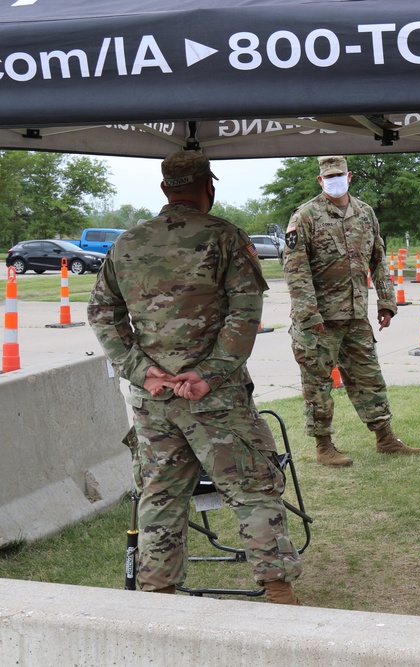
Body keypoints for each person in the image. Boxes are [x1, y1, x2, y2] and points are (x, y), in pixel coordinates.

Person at [87, 151, 303, 604]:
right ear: (209, 186)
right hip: (215, 399)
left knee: (160, 497)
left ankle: (158, 596)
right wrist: (208, 374)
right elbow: (246, 314)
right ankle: (277, 590)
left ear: (165, 189)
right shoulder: (225, 237)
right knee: (252, 487)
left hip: (155, 401)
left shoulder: (128, 242)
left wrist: (142, 372)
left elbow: (102, 313)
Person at [283, 155, 420, 468]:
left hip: (356, 315)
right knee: (318, 383)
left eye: (339, 175)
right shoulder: (305, 215)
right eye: (328, 176)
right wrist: (309, 315)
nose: (334, 180)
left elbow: (379, 259)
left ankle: (385, 437)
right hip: (319, 320)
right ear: (320, 180)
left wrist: (387, 302)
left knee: (369, 377)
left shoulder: (365, 213)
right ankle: (323, 445)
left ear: (350, 177)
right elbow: (295, 269)